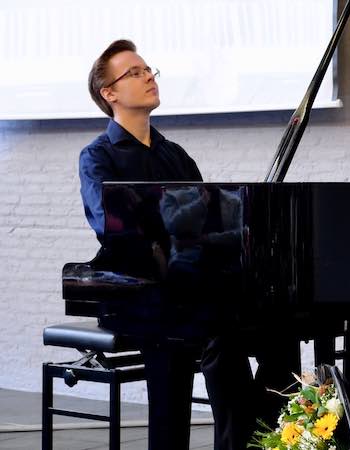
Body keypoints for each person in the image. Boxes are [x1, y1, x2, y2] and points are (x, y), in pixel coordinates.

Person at [79, 39, 298, 450]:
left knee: (280, 333)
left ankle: (258, 439)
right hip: (136, 289)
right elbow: (112, 226)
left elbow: (210, 217)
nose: (148, 77)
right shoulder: (98, 156)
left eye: (149, 70)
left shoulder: (175, 155)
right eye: (134, 72)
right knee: (209, 336)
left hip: (192, 286)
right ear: (109, 93)